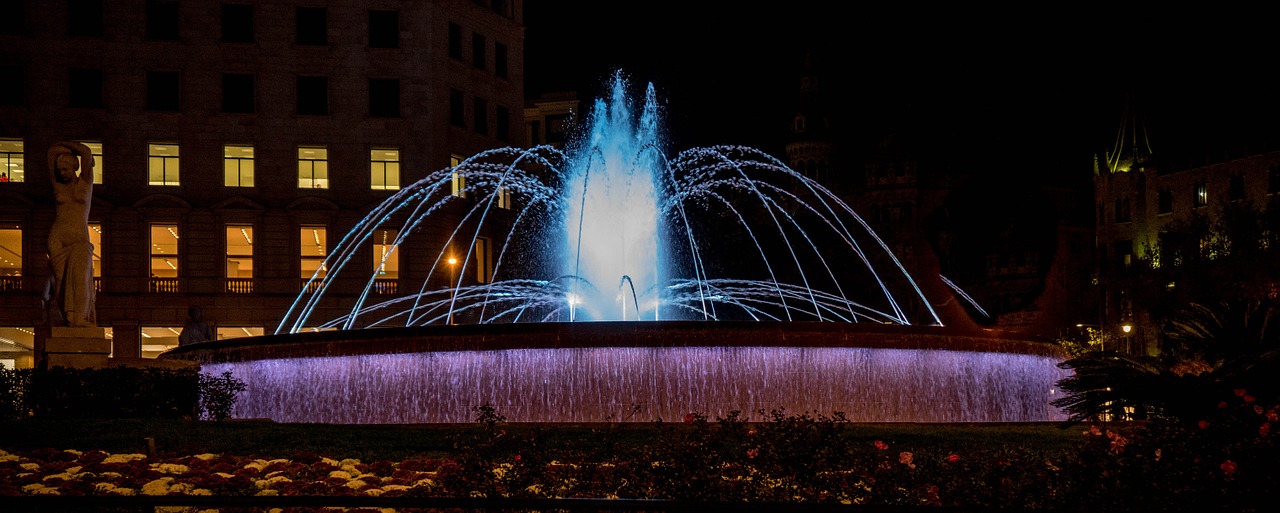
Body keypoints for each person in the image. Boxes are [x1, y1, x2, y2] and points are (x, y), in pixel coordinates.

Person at [46, 141, 96, 327]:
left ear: (75, 167)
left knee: (81, 278)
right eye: (59, 170)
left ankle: (80, 317)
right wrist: (60, 148)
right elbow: (51, 154)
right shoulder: (58, 186)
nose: (62, 173)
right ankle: (68, 318)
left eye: (65, 168)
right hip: (57, 237)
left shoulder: (85, 183)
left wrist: (68, 146)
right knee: (60, 282)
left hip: (79, 238)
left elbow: (86, 152)